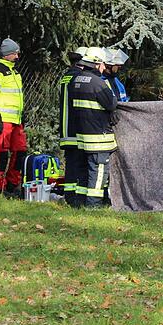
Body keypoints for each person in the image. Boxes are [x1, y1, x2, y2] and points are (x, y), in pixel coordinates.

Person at [68, 47, 118, 208]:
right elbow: (111, 103)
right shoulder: (98, 83)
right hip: (98, 136)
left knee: (84, 170)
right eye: (103, 63)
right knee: (99, 171)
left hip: (82, 136)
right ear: (96, 64)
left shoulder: (75, 80)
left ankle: (80, 201)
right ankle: (93, 205)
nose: (104, 67)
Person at [0, 38, 26, 196]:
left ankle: (12, 184)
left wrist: (21, 114)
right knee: (1, 153)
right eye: (14, 54)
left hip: (15, 119)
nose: (17, 56)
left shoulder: (13, 71)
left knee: (20, 151)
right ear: (6, 54)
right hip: (1, 119)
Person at [58, 46, 87, 205]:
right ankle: (77, 199)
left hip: (65, 128)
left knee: (70, 164)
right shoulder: (79, 78)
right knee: (79, 163)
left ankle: (69, 195)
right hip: (76, 128)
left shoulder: (66, 77)